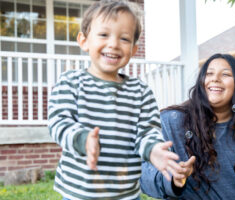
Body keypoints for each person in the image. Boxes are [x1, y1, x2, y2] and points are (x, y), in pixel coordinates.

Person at [48, 1, 192, 199]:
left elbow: (148, 132)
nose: (114, 44)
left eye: (124, 38)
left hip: (126, 194)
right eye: (104, 34)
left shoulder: (141, 92)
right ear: (84, 41)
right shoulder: (71, 82)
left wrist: (154, 150)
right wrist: (82, 139)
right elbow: (59, 122)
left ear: (133, 49)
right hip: (79, 193)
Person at [141, 53, 235, 199]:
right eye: (209, 73)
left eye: (225, 74)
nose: (215, 79)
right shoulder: (171, 122)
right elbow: (143, 173)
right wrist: (172, 181)